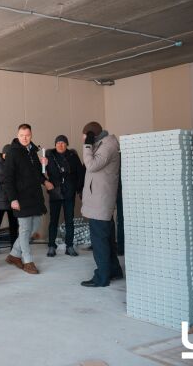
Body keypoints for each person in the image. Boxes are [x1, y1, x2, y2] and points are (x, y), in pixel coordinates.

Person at [3, 124, 52, 275]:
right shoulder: (12, 152)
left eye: (27, 135)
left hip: (34, 197)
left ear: (31, 135)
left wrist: (45, 178)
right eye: (22, 135)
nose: (25, 138)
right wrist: (13, 199)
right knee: (25, 230)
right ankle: (28, 261)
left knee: (34, 226)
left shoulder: (32, 151)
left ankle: (14, 254)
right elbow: (8, 178)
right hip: (20, 198)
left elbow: (37, 173)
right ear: (17, 135)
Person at [80, 121, 124, 288]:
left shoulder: (107, 146)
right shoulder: (103, 145)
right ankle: (114, 270)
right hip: (99, 200)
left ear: (92, 135)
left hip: (101, 201)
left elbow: (91, 165)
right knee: (107, 239)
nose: (83, 139)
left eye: (85, 136)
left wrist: (87, 145)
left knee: (99, 242)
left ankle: (102, 277)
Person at [45, 135, 85, 257]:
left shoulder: (73, 156)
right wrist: (44, 168)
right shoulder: (49, 156)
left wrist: (76, 188)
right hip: (55, 192)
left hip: (69, 193)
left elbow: (80, 173)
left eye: (63, 143)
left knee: (69, 220)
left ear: (67, 144)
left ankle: (69, 246)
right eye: (58, 143)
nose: (60, 145)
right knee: (53, 220)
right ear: (55, 144)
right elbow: (41, 172)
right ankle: (51, 246)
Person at [0, 144, 19, 255]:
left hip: (12, 197)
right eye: (7, 154)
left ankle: (14, 246)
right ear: (3, 153)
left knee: (14, 224)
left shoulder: (14, 163)